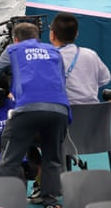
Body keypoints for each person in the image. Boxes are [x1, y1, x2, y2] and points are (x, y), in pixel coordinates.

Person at [26, 12, 111, 203]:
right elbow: (105, 79)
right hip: (95, 130)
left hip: (62, 130)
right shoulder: (91, 55)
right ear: (77, 34)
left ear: (52, 34)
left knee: (21, 131)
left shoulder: (47, 57)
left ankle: (42, 183)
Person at [0, 22, 70, 208]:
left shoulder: (14, 49)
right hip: (59, 109)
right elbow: (60, 80)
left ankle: (8, 202)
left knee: (9, 158)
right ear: (37, 37)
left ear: (15, 39)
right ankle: (51, 202)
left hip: (28, 109)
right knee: (53, 159)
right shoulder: (55, 51)